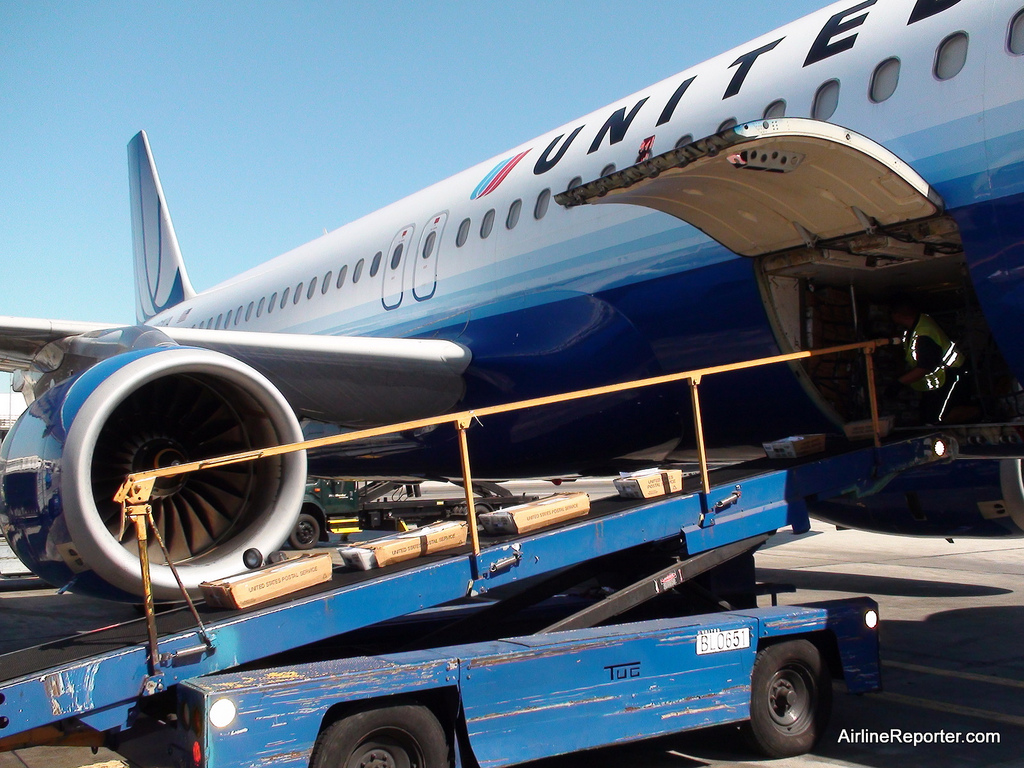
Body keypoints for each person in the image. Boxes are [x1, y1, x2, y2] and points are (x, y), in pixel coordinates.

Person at [888, 299, 976, 424]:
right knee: (928, 415)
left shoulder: (924, 334)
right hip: (939, 378)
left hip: (953, 374)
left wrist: (898, 384)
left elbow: (924, 367)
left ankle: (980, 412)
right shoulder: (919, 325)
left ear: (897, 315)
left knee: (939, 417)